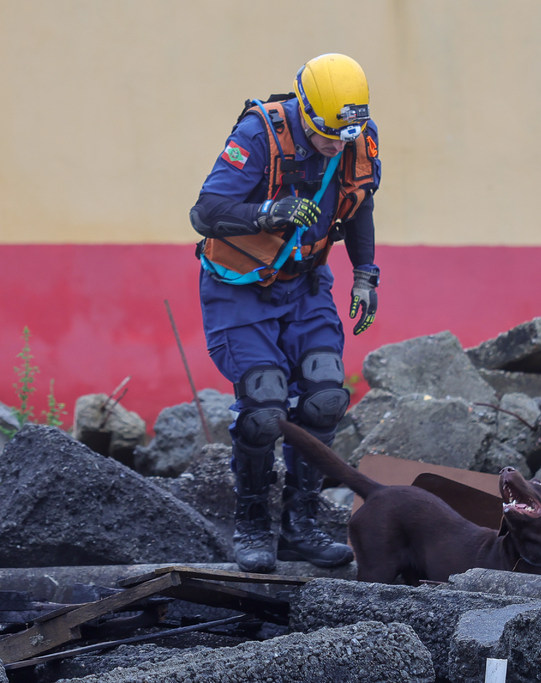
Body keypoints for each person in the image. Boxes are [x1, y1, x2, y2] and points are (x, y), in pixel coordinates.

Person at [189, 53, 382, 573]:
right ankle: (253, 524)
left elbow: (359, 204)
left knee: (323, 398)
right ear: (306, 111)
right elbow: (203, 212)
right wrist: (267, 213)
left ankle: (302, 527)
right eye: (325, 136)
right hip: (241, 287)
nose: (334, 147)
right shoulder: (259, 134)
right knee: (264, 405)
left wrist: (364, 273)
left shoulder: (354, 138)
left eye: (343, 136)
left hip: (305, 284)